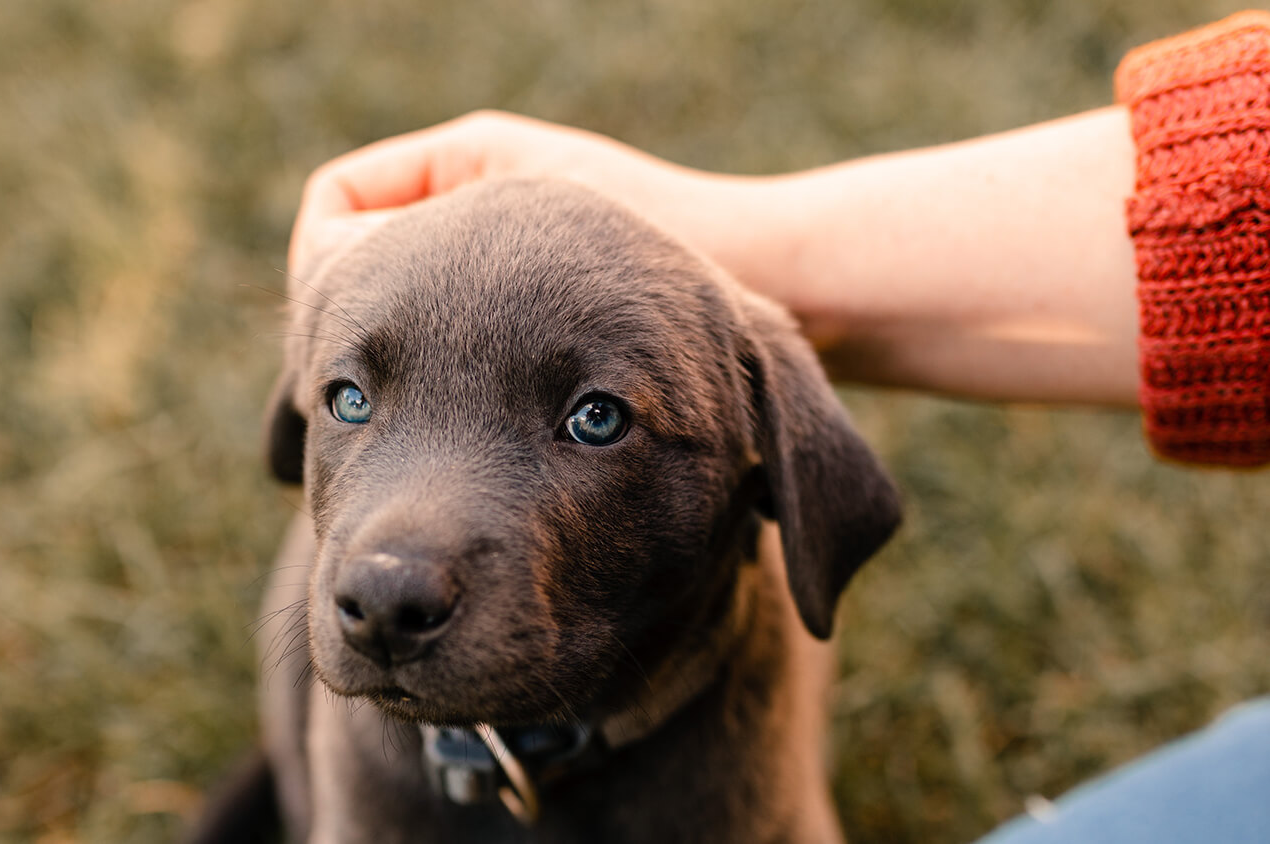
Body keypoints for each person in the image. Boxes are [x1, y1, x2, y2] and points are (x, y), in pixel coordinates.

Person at [287, 10, 1270, 843]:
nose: (392, 574)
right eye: (351, 401)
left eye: (594, 418)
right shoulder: (360, 673)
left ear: (790, 488)